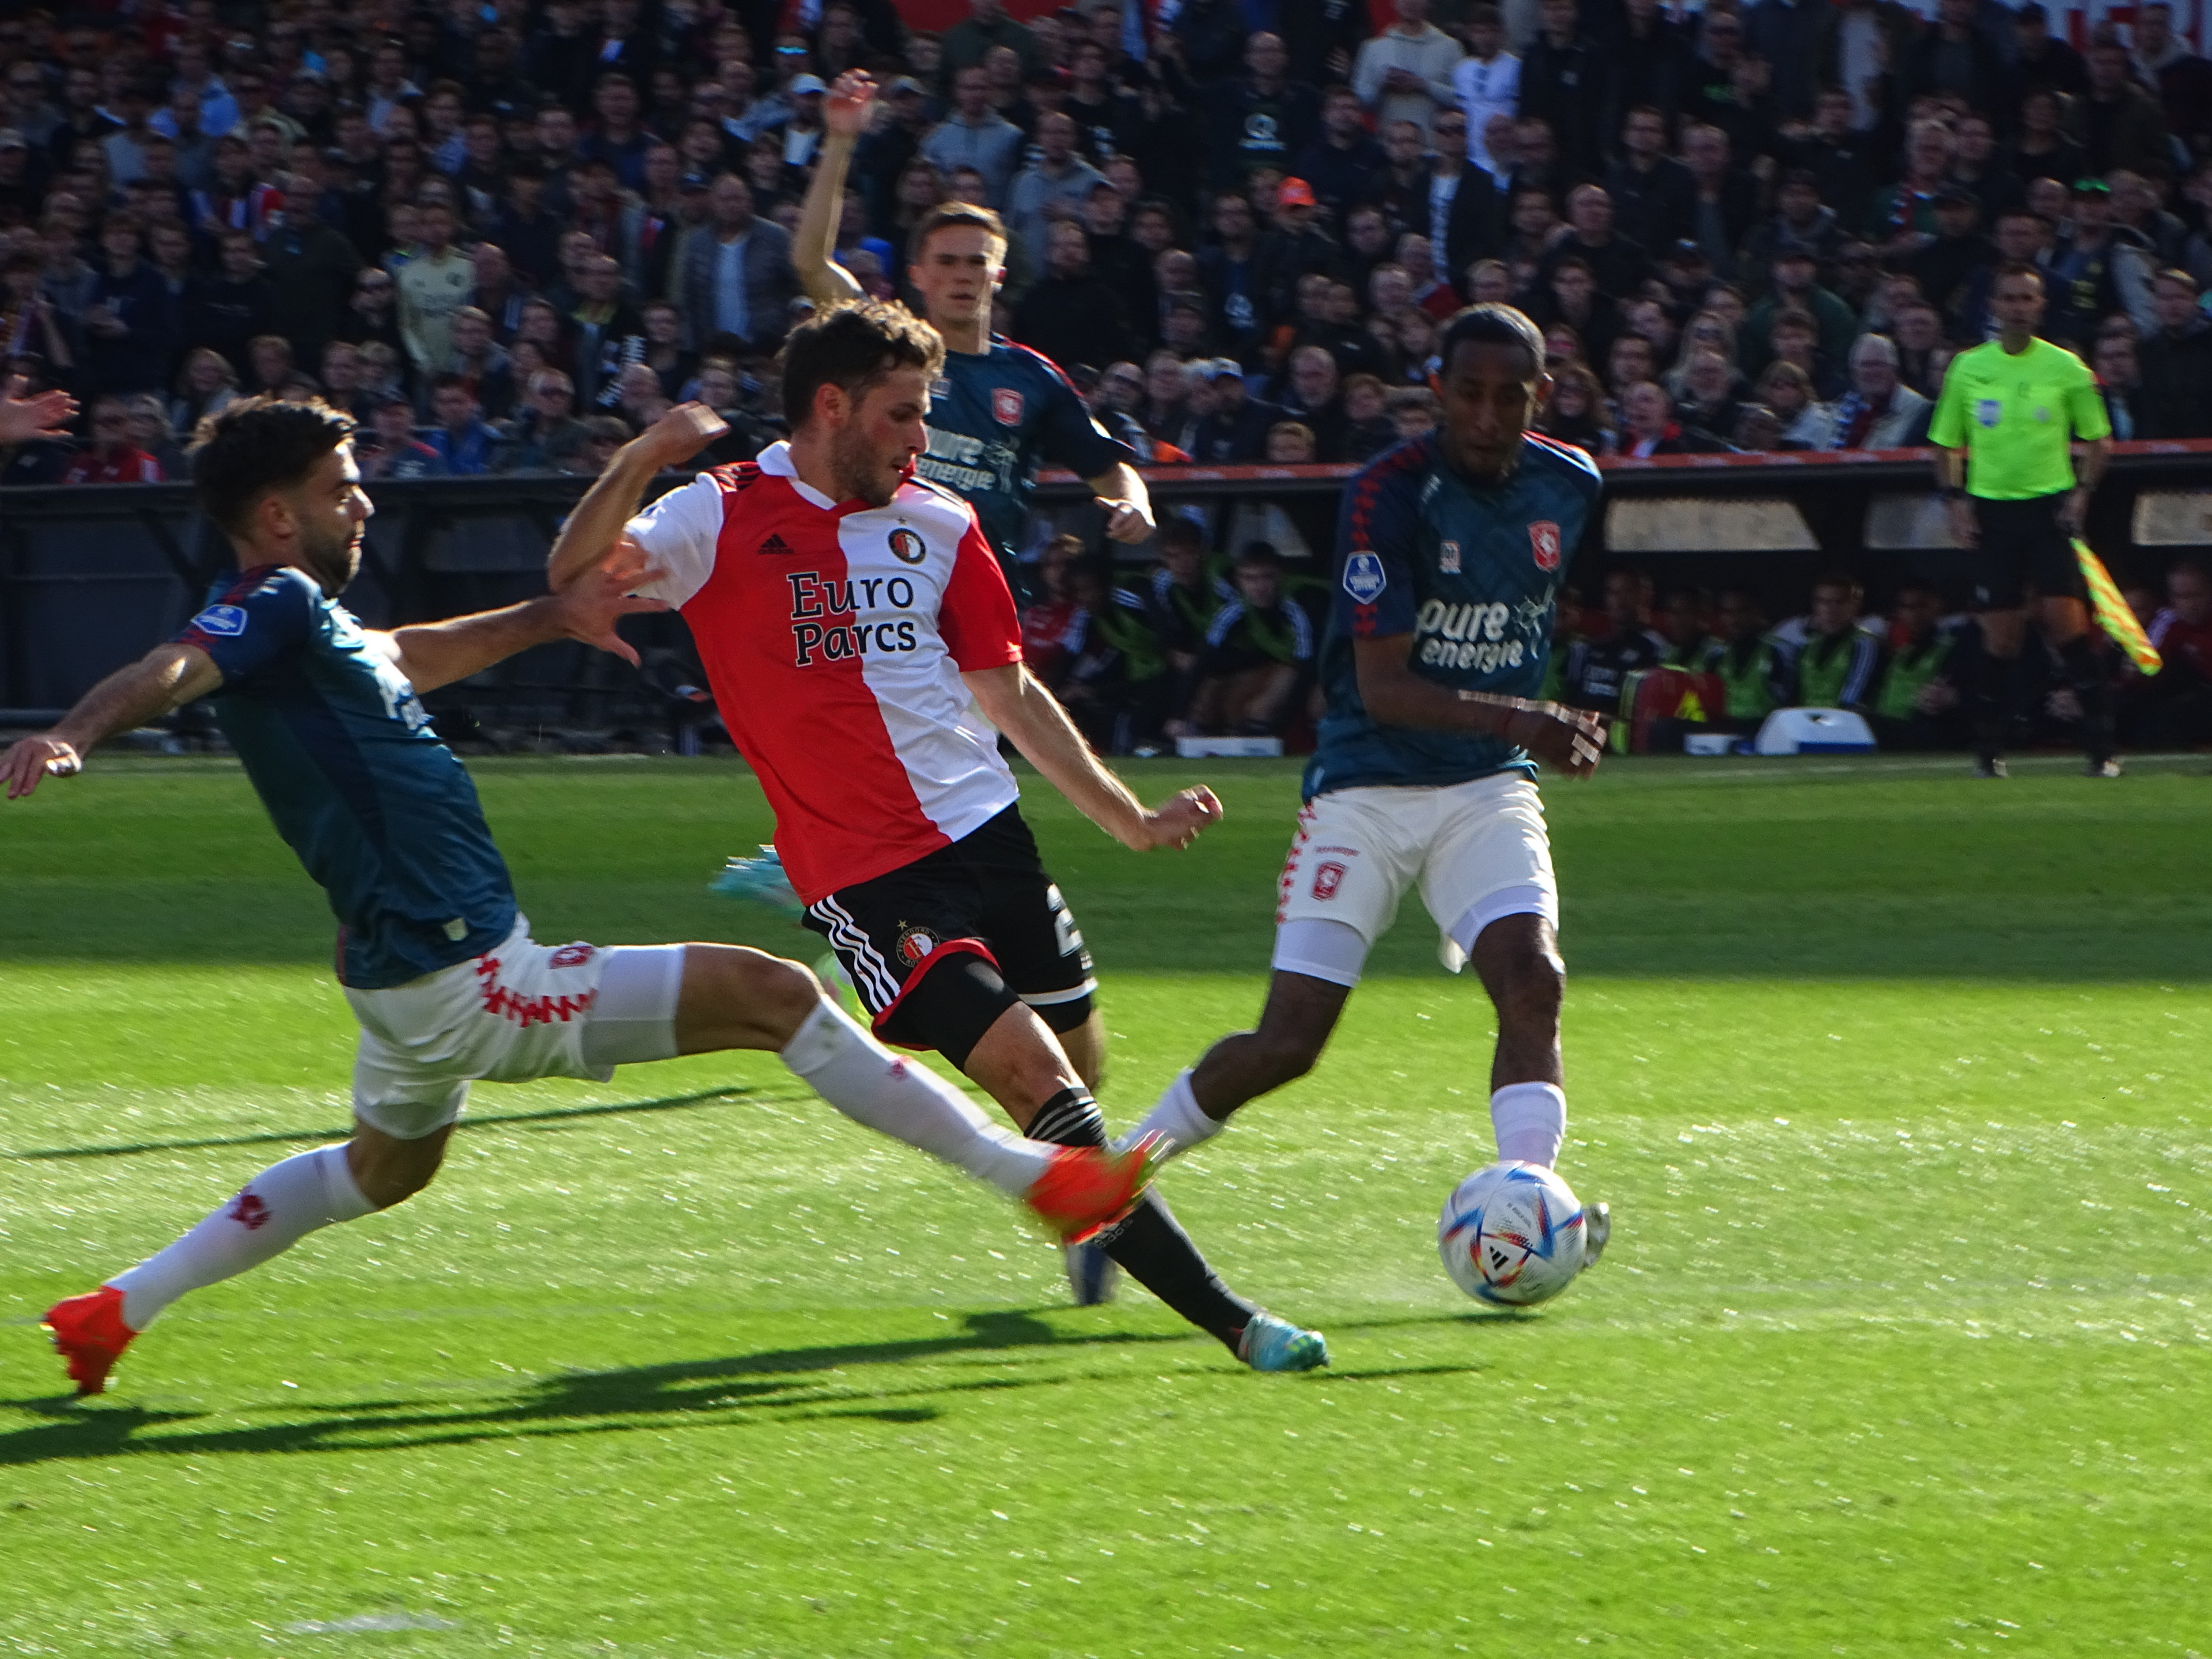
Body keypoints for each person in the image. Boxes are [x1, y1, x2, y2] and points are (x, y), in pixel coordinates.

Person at [10, 396, 1153, 1397]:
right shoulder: (269, 608)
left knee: (383, 1170)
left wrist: (551, 618)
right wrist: (72, 732)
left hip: (400, 977)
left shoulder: (313, 629)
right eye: (340, 492)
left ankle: (115, 1308)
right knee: (778, 994)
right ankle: (1037, 1184)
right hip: (468, 974)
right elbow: (174, 665)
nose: (361, 509)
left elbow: (405, 653)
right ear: (275, 517)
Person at [544, 302, 1327, 1372]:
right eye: (906, 414)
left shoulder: (943, 523)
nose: (924, 438)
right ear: (833, 406)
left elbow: (1008, 692)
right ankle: (1237, 1323)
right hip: (870, 876)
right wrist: (641, 456)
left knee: (1079, 1061)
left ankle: (1090, 1213)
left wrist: (1127, 820)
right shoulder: (716, 514)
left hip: (990, 835)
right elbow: (574, 573)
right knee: (1036, 1082)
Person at [1109, 305, 1612, 1275]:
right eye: (1468, 393)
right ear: (1437, 392)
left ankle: (1527, 1204)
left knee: (1533, 980)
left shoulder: (1572, 484)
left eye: (1510, 396)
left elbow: (1547, 613)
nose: (1487, 414)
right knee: (1290, 1041)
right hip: (1364, 789)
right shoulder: (1387, 492)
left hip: (1484, 789)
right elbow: (1383, 685)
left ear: (1541, 397)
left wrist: (1546, 720)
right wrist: (1522, 717)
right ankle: (1118, 1175)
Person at [795, 72, 1153, 593]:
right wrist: (841, 141)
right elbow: (810, 262)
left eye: (976, 262)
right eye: (946, 261)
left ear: (998, 276)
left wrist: (1135, 504)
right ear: (917, 274)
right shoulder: (884, 347)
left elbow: (1110, 470)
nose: (962, 274)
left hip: (984, 594)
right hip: (880, 589)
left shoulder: (1033, 378)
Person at [1929, 264, 2116, 777]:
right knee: (2001, 637)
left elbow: (2099, 440)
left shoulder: (2066, 368)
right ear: (1994, 305)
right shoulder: (1968, 368)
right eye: (2008, 298)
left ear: (2040, 306)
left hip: (2048, 507)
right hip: (1993, 512)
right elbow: (1945, 443)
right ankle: (1989, 751)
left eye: (2026, 299)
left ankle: (2102, 749)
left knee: (2067, 626)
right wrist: (1955, 500)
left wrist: (2082, 495)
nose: (2017, 307)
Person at [1782, 573, 1882, 714]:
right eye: (1823, 602)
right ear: (1815, 606)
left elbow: (1854, 697)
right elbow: (1793, 694)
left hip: (1844, 726)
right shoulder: (1806, 647)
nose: (1831, 610)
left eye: (1840, 602)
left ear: (1855, 605)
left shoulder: (1864, 644)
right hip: (1805, 726)